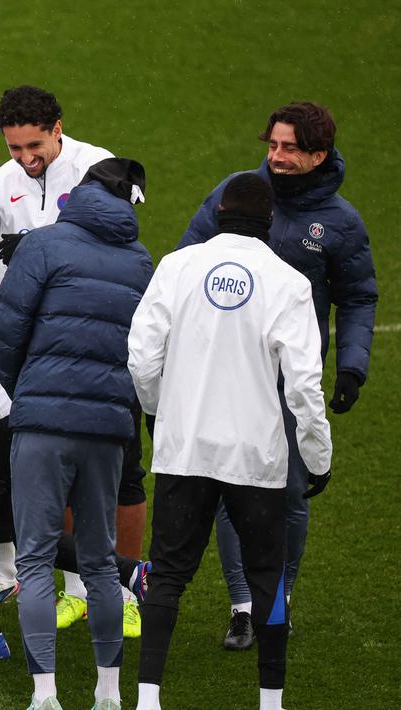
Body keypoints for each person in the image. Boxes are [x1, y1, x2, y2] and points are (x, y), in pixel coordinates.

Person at [130, 173, 333, 710]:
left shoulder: (177, 267)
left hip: (186, 448)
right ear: (269, 222)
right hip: (255, 456)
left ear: (218, 212)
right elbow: (306, 385)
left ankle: (148, 698)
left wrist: (160, 411)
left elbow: (142, 357)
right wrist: (318, 458)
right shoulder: (288, 282)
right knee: (267, 577)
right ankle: (271, 702)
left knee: (168, 575)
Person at [179, 101, 376, 650]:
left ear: (319, 154)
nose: (276, 157)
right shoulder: (236, 191)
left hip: (291, 379)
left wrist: (352, 366)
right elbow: (186, 262)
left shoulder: (341, 223)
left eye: (290, 148)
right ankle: (244, 605)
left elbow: (359, 296)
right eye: (272, 144)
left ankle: (278, 599)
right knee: (227, 488)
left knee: (289, 495)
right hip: (226, 373)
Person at [0, 85, 146, 640]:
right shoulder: (3, 180)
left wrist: (37, 244)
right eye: (15, 148)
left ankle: (127, 594)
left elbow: (123, 235)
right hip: (47, 351)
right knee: (66, 480)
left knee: (125, 480)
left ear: (58, 129)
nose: (25, 159)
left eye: (34, 146)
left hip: (100, 341)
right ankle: (76, 592)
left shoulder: (99, 167)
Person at [0, 158, 152, 710]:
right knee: (102, 560)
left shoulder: (42, 245)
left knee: (34, 558)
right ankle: (108, 694)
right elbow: (145, 353)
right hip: (108, 427)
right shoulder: (139, 261)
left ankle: (45, 696)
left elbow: (7, 333)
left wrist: (27, 392)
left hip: (41, 422)